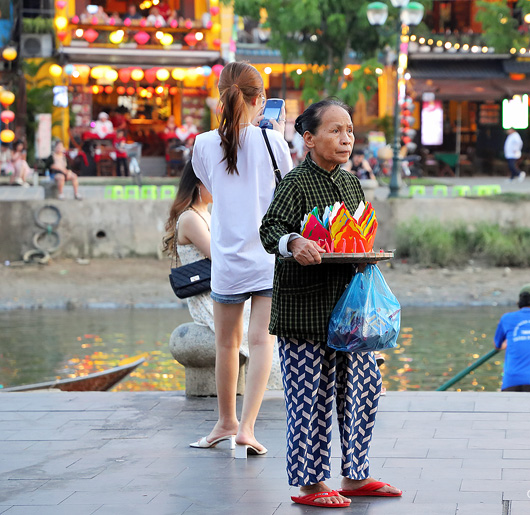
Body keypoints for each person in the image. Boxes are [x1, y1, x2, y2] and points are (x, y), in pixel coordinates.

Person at [260, 99, 402, 508]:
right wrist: (296, 241)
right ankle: (308, 484)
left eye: (350, 132)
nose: (346, 139)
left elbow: (354, 236)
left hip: (350, 315)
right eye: (335, 131)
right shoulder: (296, 182)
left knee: (363, 390)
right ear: (308, 139)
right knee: (311, 399)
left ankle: (355, 476)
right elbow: (270, 229)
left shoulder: (350, 181)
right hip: (305, 313)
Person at [190, 61, 292, 457]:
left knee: (225, 344)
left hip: (228, 261)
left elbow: (212, 184)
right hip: (267, 257)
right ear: (259, 100)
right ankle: (247, 428)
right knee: (261, 342)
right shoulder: (273, 143)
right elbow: (284, 187)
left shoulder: (202, 144)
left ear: (220, 96)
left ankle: (225, 421)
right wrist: (276, 137)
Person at [161, 161, 284, 392]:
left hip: (224, 285)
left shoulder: (206, 214)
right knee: (260, 327)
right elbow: (219, 256)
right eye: (214, 183)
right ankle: (274, 383)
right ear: (199, 184)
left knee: (268, 317)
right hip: (208, 295)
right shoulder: (190, 218)